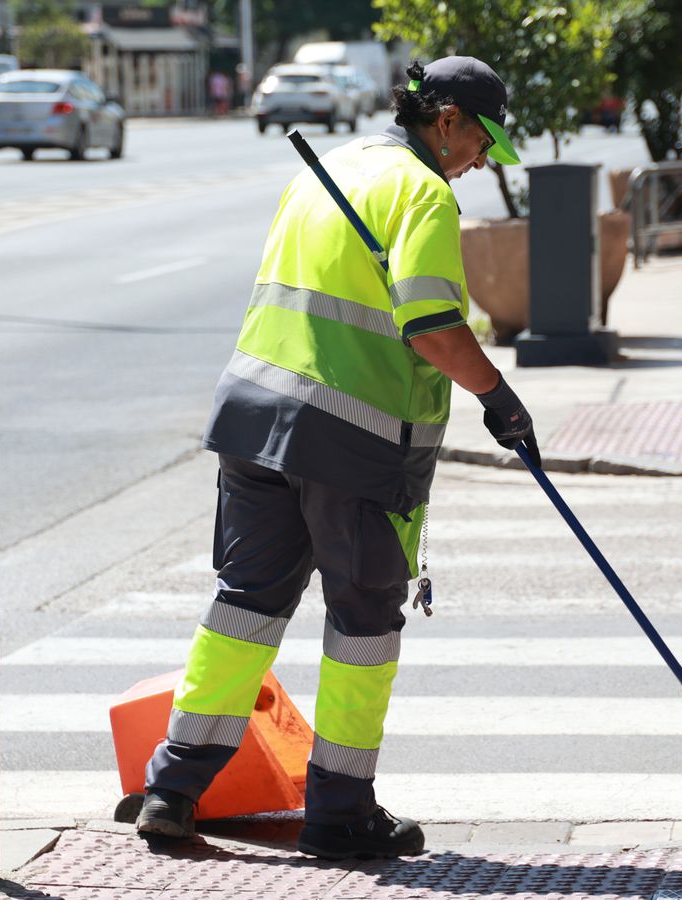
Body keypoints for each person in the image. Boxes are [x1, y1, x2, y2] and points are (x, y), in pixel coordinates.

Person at [134, 56, 536, 860]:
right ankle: (341, 812)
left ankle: (171, 790)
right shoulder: (422, 192)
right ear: (446, 122)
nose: (480, 161)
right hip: (352, 441)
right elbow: (431, 325)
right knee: (363, 622)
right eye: (481, 142)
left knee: (245, 605)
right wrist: (500, 398)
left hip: (254, 418)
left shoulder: (333, 167)